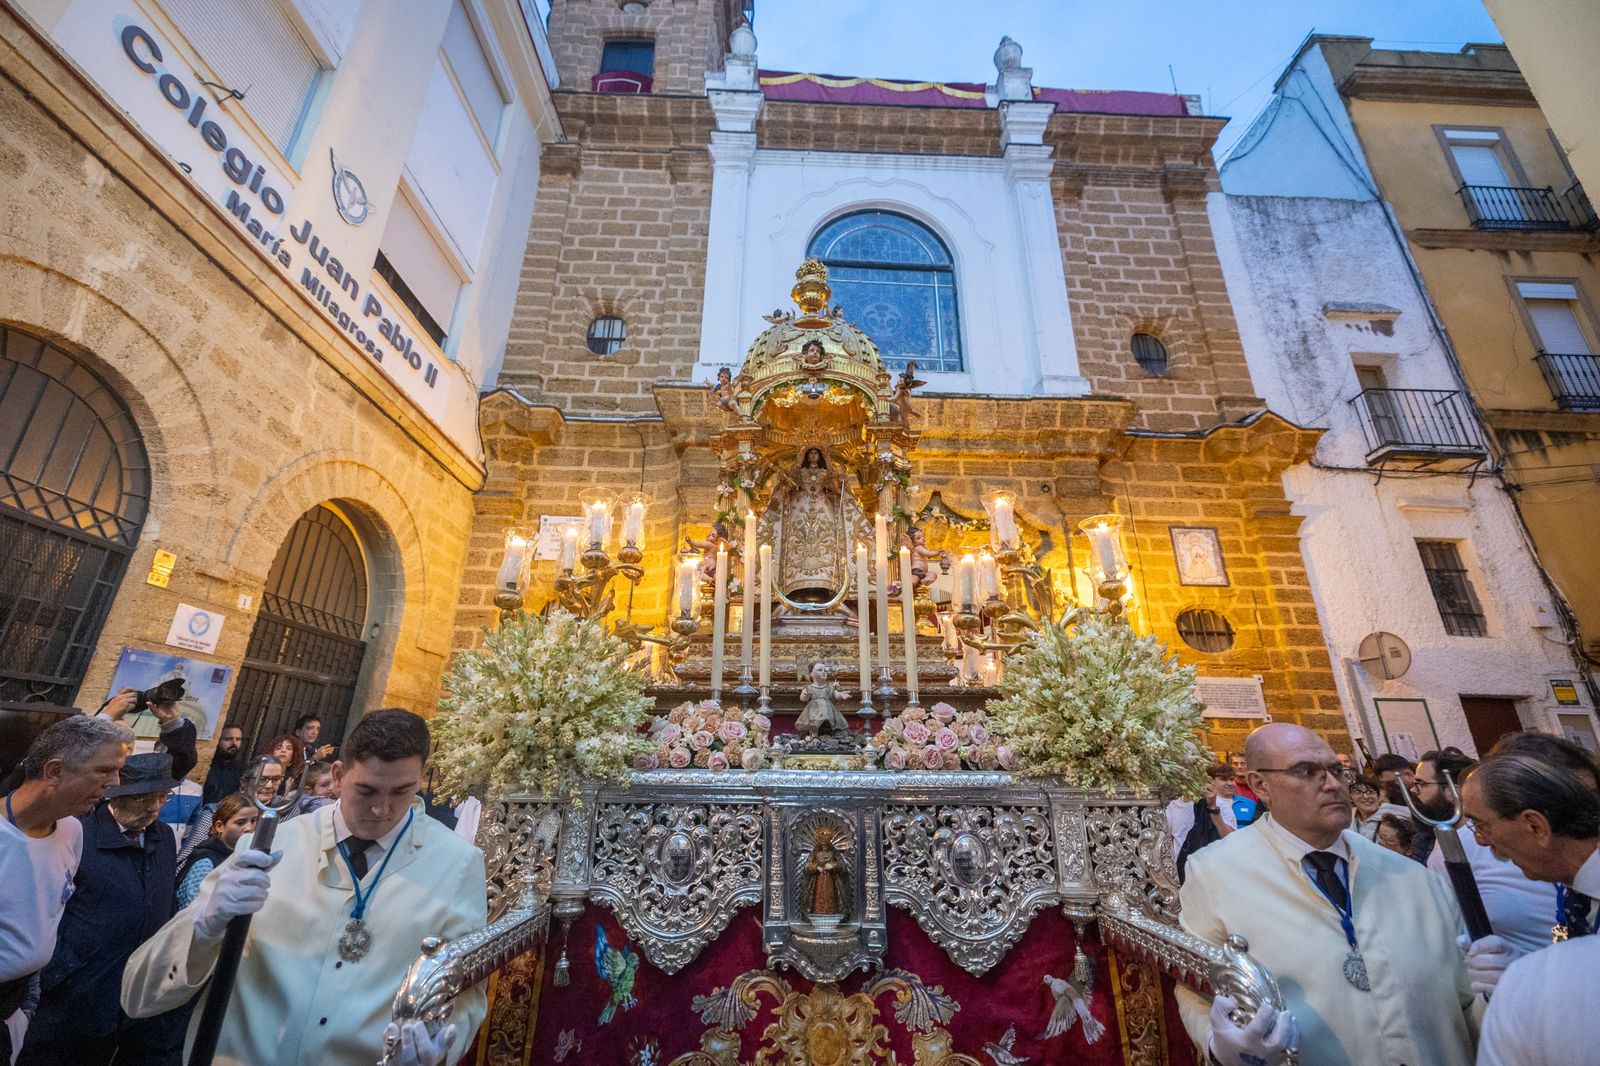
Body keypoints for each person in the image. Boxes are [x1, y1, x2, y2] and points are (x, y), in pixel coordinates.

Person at [122, 709, 488, 1065]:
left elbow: (464, 995)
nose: (381, 809)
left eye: (402, 791)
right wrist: (204, 925)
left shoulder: (459, 864)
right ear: (340, 774)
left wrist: (437, 1047)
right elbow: (140, 997)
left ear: (421, 777)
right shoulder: (266, 846)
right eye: (367, 790)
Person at [1176, 723, 1474, 1066]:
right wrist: (1218, 1044)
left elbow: (1466, 1000)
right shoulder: (1215, 872)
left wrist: (1498, 997)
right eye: (1307, 771)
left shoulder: (1413, 878)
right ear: (1260, 785)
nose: (1333, 784)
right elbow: (1195, 984)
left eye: (1336, 771)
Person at [18, 753, 188, 1066]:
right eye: (142, 797)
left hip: (134, 988)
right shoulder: (79, 833)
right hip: (73, 992)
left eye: (162, 797)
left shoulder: (162, 836)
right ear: (115, 794)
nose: (154, 807)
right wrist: (62, 968)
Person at [0, 716, 132, 1063]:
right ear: (55, 771)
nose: (114, 783)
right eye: (104, 770)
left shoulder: (73, 831)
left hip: (16, 1008)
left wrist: (26, 1008)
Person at [1466, 736, 1600, 1065]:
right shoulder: (1575, 893)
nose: (1482, 842)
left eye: (1482, 825)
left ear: (1535, 825)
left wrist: (1528, 986)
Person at [176, 795, 257, 908]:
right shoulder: (206, 863)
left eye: (253, 821)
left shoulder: (246, 855)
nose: (249, 828)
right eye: (240, 822)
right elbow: (193, 910)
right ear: (220, 826)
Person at [1166, 764, 1238, 882]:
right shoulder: (1172, 807)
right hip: (1180, 875)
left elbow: (1230, 840)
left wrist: (1212, 808)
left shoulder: (1221, 806)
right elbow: (1167, 842)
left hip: (1212, 874)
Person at [202, 726, 246, 805]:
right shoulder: (206, 764)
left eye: (238, 739)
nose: (234, 743)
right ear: (218, 740)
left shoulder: (242, 769)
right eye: (228, 739)